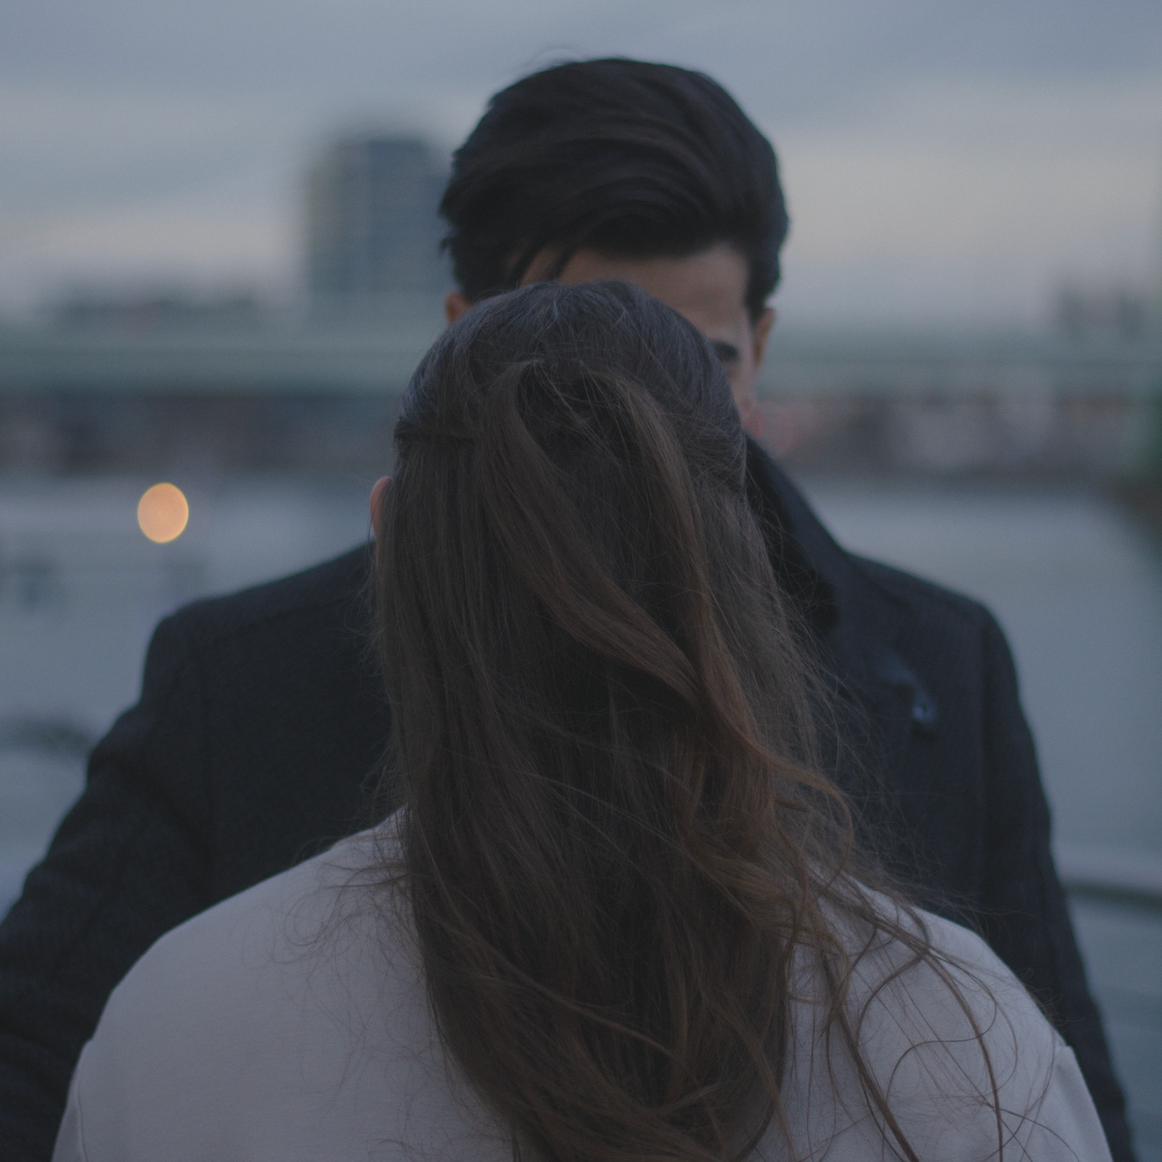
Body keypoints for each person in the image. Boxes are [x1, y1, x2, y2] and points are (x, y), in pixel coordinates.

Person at [0, 58, 1130, 1161]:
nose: (641, 413)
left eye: (691, 357)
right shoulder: (240, 681)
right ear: (456, 336)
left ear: (761, 352)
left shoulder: (939, 664)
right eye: (572, 380)